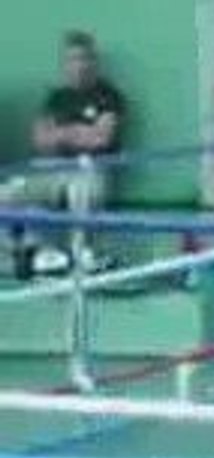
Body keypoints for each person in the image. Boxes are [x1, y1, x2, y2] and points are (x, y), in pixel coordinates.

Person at [0, 30, 124, 279]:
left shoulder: (109, 96)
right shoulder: (56, 98)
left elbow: (100, 139)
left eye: (84, 58)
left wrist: (61, 133)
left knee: (83, 192)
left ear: (93, 62)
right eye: (73, 59)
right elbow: (40, 140)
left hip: (88, 170)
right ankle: (30, 254)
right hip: (50, 170)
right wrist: (79, 131)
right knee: (6, 194)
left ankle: (81, 257)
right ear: (65, 64)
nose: (79, 65)